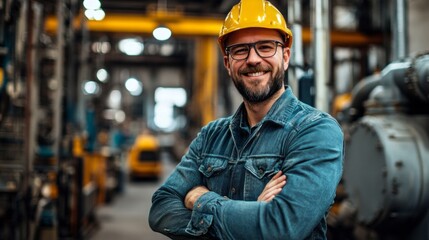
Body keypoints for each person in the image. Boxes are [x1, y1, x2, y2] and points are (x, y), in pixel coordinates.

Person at [149, 0, 344, 239]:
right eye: (240, 50)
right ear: (227, 63)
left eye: (265, 47)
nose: (253, 59)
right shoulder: (212, 136)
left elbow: (282, 228)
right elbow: (160, 210)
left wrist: (203, 200)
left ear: (285, 56)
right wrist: (253, 214)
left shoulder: (315, 131)